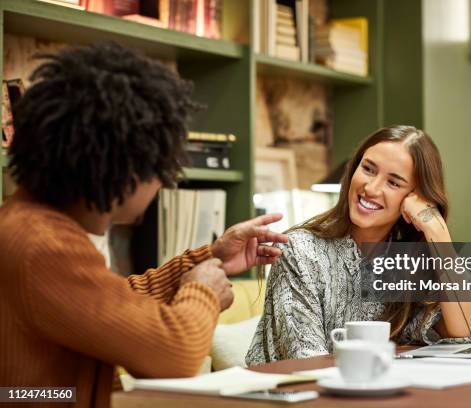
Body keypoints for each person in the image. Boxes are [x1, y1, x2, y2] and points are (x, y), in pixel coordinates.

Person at [0, 43, 287, 407]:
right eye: (160, 168)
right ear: (125, 169)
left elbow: (112, 306)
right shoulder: (43, 245)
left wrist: (205, 259)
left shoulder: (29, 225)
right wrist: (205, 295)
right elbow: (175, 356)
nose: (164, 183)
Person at [246, 125, 471, 365]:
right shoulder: (298, 252)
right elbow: (306, 363)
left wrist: (437, 232)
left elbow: (469, 338)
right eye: (368, 169)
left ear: (415, 198)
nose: (371, 188)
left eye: (394, 183)